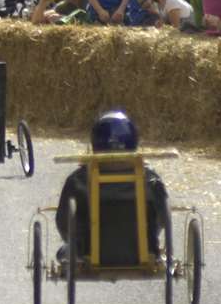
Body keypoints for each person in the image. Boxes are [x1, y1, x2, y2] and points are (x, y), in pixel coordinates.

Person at [54, 110, 169, 258]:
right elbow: (163, 217)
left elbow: (63, 222)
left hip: (86, 252)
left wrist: (72, 243)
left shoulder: (78, 180)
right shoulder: (150, 179)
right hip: (145, 251)